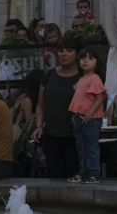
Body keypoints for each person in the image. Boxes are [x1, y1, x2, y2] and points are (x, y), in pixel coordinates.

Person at [33, 35, 82, 180]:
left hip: (75, 136)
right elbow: (41, 105)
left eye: (69, 50)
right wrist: (39, 126)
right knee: (54, 177)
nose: (64, 54)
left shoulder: (84, 78)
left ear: (77, 54)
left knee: (74, 175)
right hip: (51, 136)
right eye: (60, 50)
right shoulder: (49, 75)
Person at [68, 48, 107, 183]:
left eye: (90, 58)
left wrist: (90, 112)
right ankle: (83, 170)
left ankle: (94, 172)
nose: (86, 60)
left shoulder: (95, 78)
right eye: (83, 58)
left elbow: (100, 97)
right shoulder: (82, 79)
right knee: (81, 146)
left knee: (91, 146)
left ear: (97, 63)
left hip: (91, 118)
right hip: (78, 117)